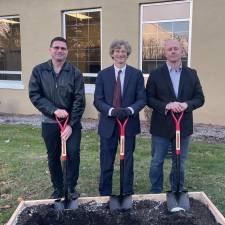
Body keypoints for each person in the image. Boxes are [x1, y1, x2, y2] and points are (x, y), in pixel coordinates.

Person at [29, 37, 85, 199]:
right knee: (53, 156)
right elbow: (35, 95)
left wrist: (71, 125)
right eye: (56, 47)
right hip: (50, 123)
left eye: (63, 48)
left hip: (71, 124)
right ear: (50, 50)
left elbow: (79, 100)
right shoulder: (39, 71)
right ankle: (58, 188)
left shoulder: (75, 73)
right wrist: (54, 110)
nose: (59, 50)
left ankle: (71, 188)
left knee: (73, 154)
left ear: (67, 51)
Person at [146, 39, 205, 193]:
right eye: (170, 49)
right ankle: (155, 191)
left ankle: (177, 190)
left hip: (183, 126)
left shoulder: (191, 74)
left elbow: (200, 98)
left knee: (180, 162)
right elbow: (149, 98)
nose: (173, 51)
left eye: (176, 49)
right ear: (165, 53)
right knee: (157, 161)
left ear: (181, 52)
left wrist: (186, 105)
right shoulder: (155, 74)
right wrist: (166, 105)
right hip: (161, 126)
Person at [94, 40, 146, 196]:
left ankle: (127, 192)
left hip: (128, 124)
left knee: (127, 161)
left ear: (127, 54)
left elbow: (142, 99)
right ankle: (105, 193)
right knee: (106, 160)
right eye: (117, 51)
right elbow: (98, 100)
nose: (120, 54)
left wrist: (130, 110)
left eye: (123, 51)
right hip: (108, 125)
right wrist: (111, 111)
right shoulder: (103, 75)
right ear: (112, 54)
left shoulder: (136, 74)